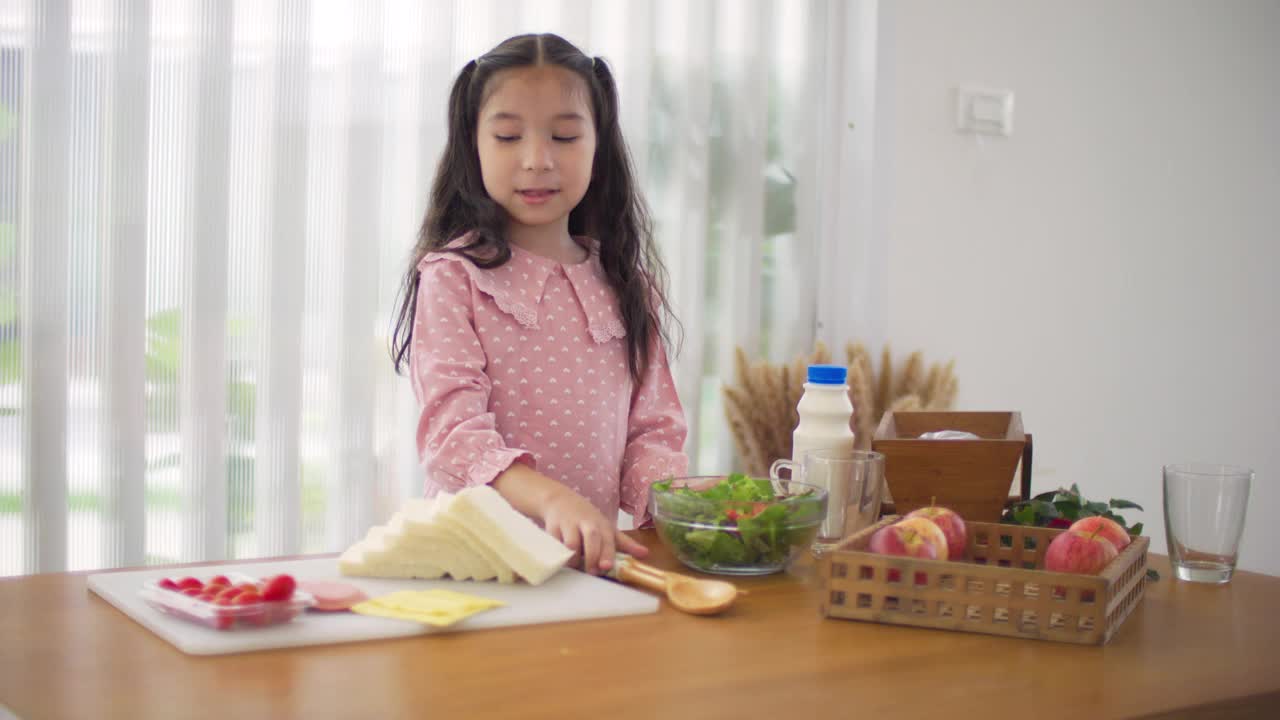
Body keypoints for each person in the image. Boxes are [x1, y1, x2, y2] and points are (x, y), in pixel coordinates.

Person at [389, 33, 688, 575]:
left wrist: (688, 509)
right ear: (472, 145)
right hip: (476, 568)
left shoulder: (627, 283)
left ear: (599, 146)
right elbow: (452, 436)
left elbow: (654, 433)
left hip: (585, 571)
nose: (536, 160)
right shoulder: (454, 278)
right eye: (507, 136)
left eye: (565, 136)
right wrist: (551, 498)